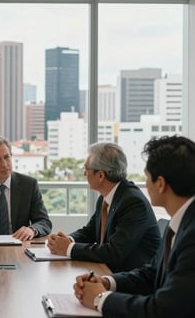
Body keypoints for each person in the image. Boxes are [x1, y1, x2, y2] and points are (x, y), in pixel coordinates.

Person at [73, 135, 195, 318]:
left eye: (146, 177)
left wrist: (100, 298)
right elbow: (152, 273)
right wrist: (107, 282)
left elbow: (164, 309)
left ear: (160, 184)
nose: (144, 184)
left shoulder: (191, 235)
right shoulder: (178, 221)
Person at [48, 142, 160, 272]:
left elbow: (114, 253)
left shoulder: (133, 202)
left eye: (87, 169)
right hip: (108, 272)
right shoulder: (106, 197)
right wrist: (66, 240)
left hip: (130, 279)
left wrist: (68, 248)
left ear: (100, 175)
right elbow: (89, 232)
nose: (85, 174)